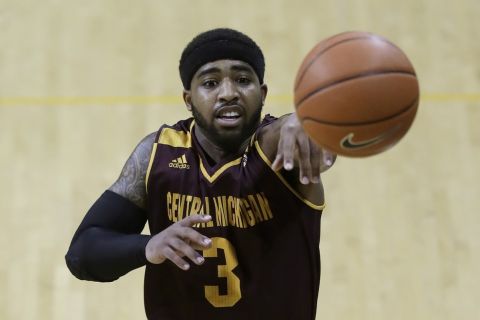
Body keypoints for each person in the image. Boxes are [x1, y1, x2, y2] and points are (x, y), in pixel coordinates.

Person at [66, 28, 336, 320]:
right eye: (210, 82)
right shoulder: (157, 155)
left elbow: (289, 132)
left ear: (263, 93)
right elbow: (82, 254)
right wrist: (149, 245)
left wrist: (305, 122)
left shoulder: (280, 153)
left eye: (243, 80)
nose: (229, 93)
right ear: (188, 98)